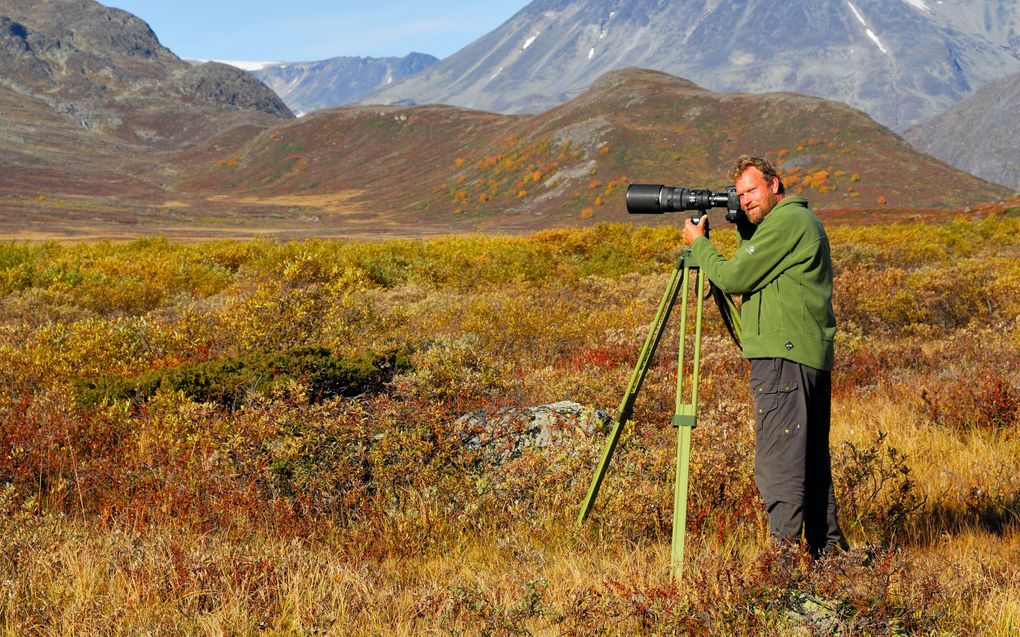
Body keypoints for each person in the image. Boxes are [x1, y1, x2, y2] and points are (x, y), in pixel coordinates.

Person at [681, 155, 848, 557]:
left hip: (783, 358)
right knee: (807, 460)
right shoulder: (788, 224)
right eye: (739, 195)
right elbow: (754, 266)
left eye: (751, 191)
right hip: (801, 355)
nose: (745, 200)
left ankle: (785, 561)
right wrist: (742, 227)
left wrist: (700, 246)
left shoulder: (789, 221)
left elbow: (736, 276)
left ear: (775, 185)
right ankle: (829, 555)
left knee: (779, 462)